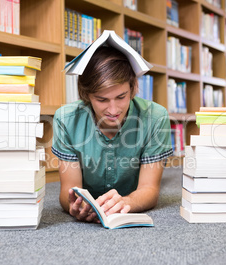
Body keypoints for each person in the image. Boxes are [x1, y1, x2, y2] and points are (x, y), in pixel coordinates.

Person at [52, 45, 172, 223]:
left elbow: (149, 189)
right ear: (86, 95)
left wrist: (127, 202)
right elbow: (69, 189)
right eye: (102, 100)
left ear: (132, 88)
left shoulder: (155, 118)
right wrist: (75, 205)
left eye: (121, 97)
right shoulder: (65, 119)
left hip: (131, 197)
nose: (113, 110)